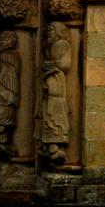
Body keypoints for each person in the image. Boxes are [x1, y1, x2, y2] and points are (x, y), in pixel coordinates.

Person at [39, 22, 71, 164]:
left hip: (56, 80)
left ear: (59, 32)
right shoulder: (50, 46)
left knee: (54, 113)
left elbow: (64, 65)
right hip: (50, 80)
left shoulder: (62, 44)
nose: (48, 33)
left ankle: (56, 148)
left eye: (52, 30)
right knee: (47, 111)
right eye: (48, 30)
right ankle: (50, 146)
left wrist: (49, 65)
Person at [0, 30, 21, 158]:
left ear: (11, 42)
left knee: (2, 120)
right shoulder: (4, 56)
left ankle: (3, 145)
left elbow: (11, 73)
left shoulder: (10, 56)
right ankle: (0, 145)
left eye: (3, 39)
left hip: (6, 94)